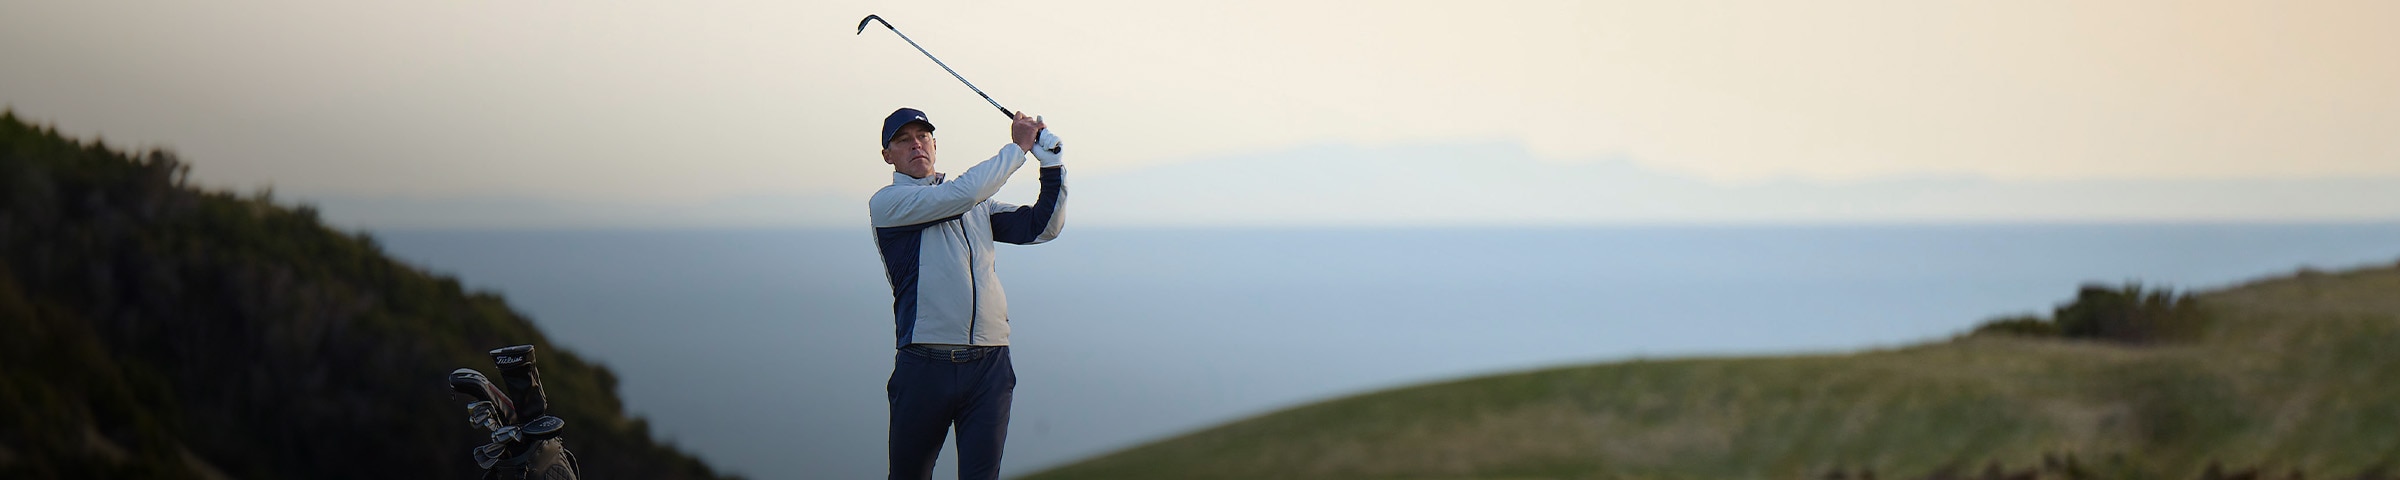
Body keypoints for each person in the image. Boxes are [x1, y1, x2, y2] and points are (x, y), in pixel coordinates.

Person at [867, 107, 1066, 480]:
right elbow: (960, 196)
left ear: (935, 144)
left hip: (989, 367)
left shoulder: (976, 205)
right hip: (925, 366)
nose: (916, 145)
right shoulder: (889, 204)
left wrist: (1052, 167)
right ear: (887, 155)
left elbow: (1042, 227)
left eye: (922, 136)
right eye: (903, 140)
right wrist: (1017, 148)